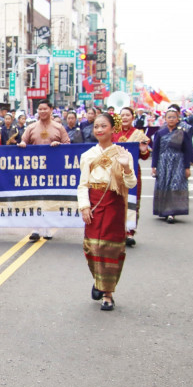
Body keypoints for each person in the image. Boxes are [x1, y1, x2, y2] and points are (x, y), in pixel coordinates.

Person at [78, 113, 137, 311]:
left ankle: (108, 294)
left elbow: (131, 184)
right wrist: (84, 206)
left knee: (111, 249)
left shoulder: (123, 154)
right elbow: (83, 185)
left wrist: (126, 167)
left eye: (103, 126)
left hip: (114, 204)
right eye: (96, 126)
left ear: (113, 129)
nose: (99, 130)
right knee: (92, 248)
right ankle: (99, 280)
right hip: (95, 203)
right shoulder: (88, 155)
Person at [113, 106, 151, 246]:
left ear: (132, 117)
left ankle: (129, 231)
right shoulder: (113, 133)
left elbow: (145, 156)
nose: (124, 117)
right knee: (115, 200)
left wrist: (143, 150)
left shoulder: (139, 135)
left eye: (127, 115)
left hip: (132, 171)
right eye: (122, 115)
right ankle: (117, 231)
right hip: (115, 171)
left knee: (132, 200)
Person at [151, 106, 193, 223]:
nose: (171, 119)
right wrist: (154, 166)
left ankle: (172, 212)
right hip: (163, 162)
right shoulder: (160, 133)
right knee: (163, 185)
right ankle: (163, 210)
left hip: (178, 162)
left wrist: (187, 167)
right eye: (169, 117)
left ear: (178, 119)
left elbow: (187, 150)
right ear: (165, 119)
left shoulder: (182, 133)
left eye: (174, 117)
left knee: (175, 185)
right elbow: (156, 150)